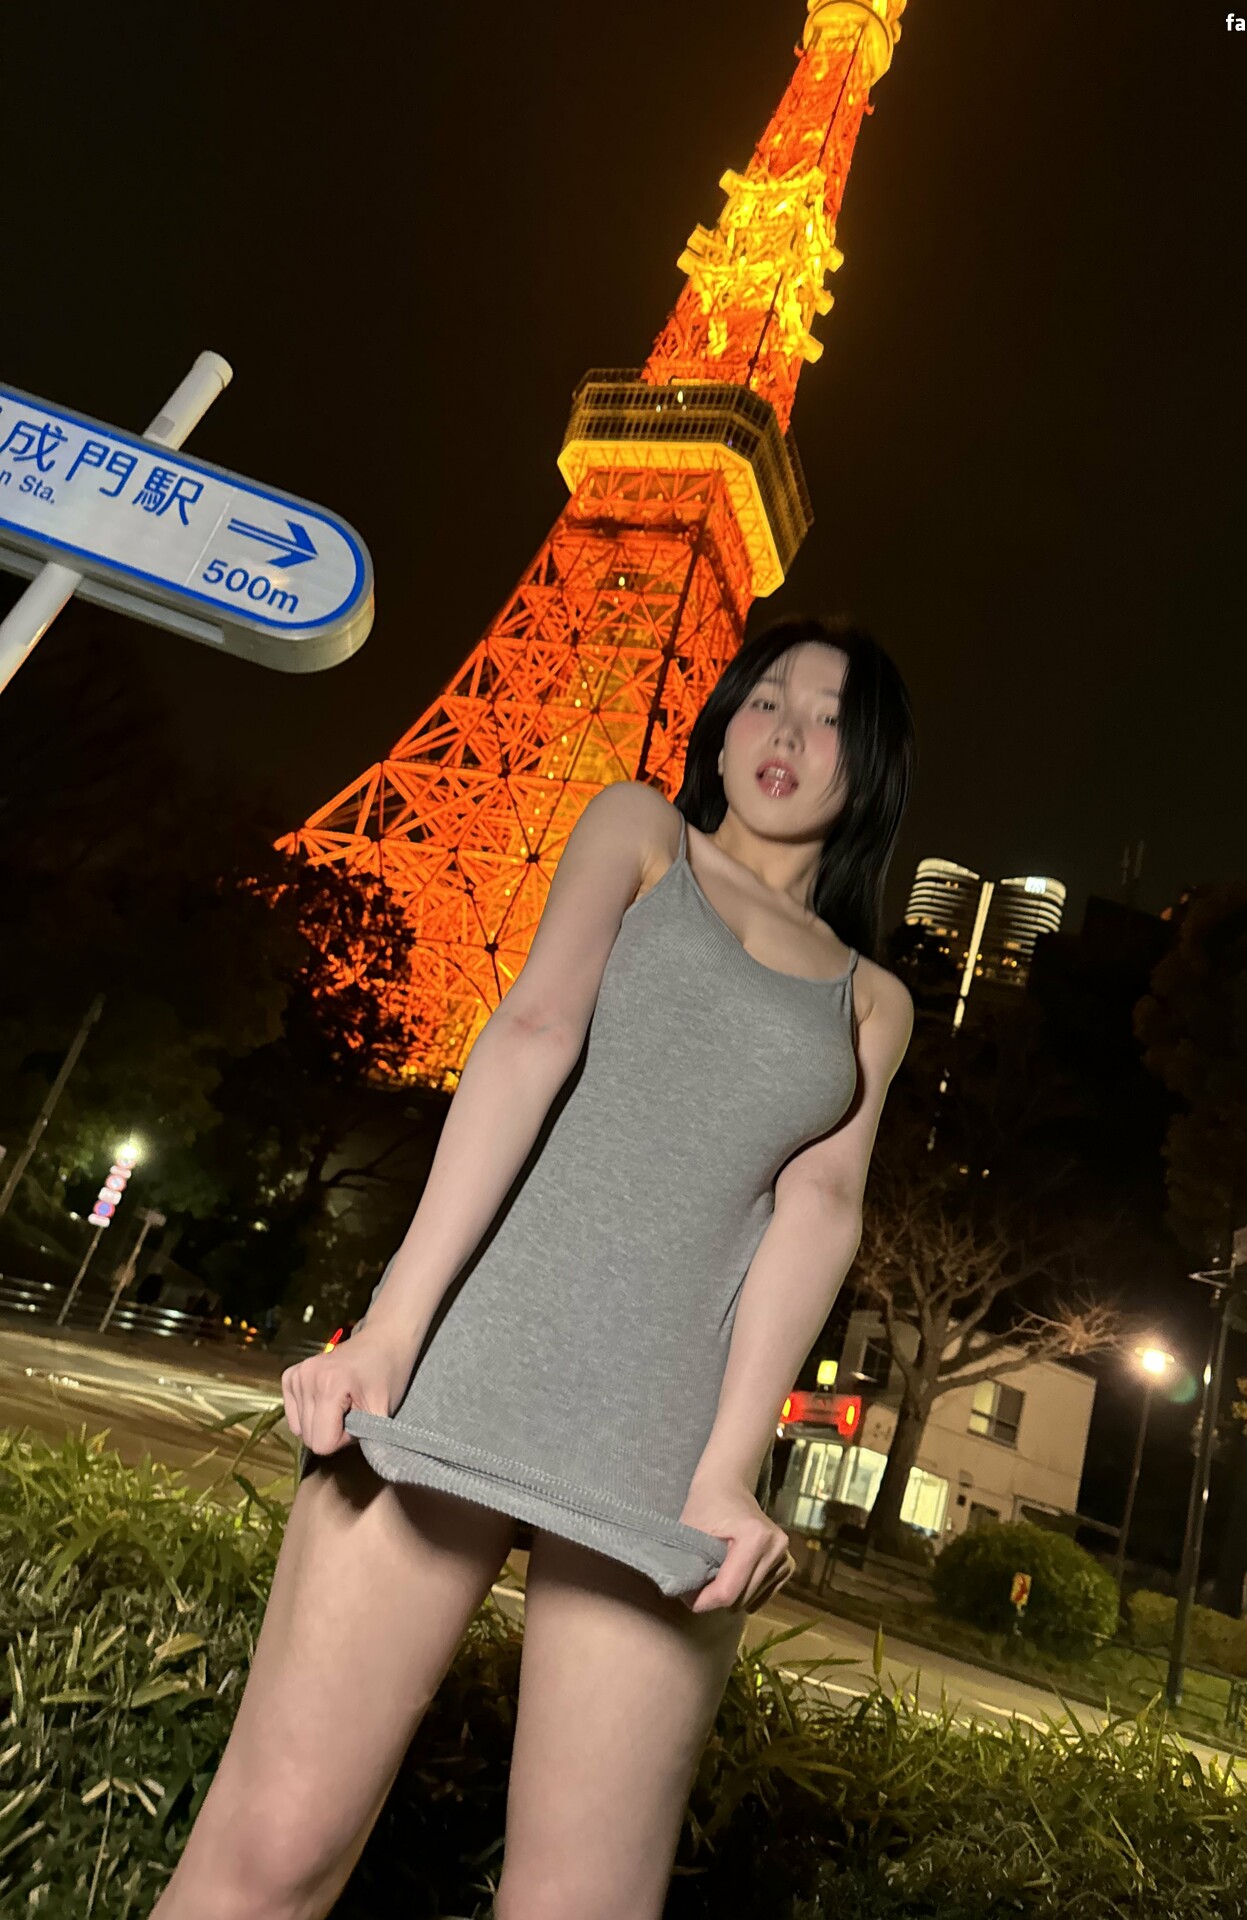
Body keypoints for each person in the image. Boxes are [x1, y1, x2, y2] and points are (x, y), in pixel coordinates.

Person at [148, 614, 916, 1920]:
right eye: (764, 697)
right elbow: (529, 1034)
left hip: (662, 1441)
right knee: (273, 1849)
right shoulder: (639, 832)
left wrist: (729, 1469)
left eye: (829, 715)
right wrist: (392, 1329)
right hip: (467, 1359)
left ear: (874, 765)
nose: (786, 730)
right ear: (722, 720)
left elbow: (820, 1212)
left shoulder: (872, 1001)